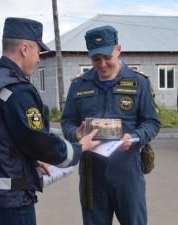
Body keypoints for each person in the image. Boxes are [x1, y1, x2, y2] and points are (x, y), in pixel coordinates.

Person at [0, 17, 101, 225]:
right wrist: (79, 148)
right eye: (38, 52)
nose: (38, 60)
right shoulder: (15, 89)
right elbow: (39, 141)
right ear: (25, 49)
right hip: (8, 202)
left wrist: (30, 161)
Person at [61, 25, 161, 225]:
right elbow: (67, 121)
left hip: (127, 170)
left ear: (118, 49)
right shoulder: (79, 84)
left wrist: (134, 137)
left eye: (107, 57)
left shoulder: (138, 82)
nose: (102, 64)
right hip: (92, 171)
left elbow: (152, 122)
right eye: (96, 59)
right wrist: (76, 135)